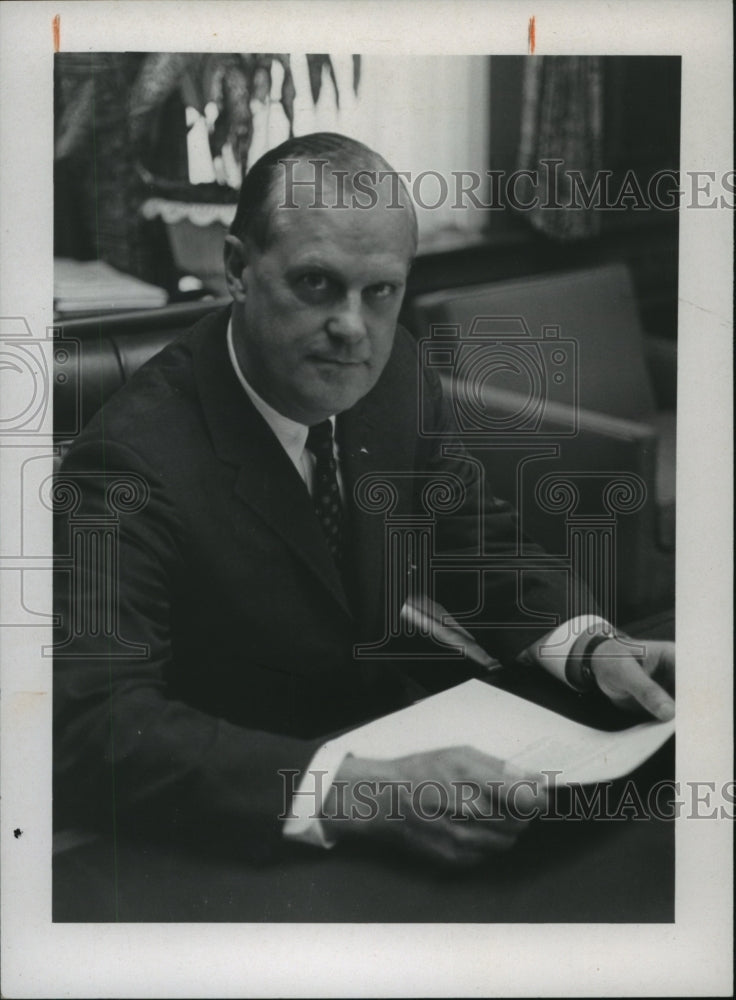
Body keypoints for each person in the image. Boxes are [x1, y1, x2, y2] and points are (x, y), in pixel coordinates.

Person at [53, 132, 675, 867]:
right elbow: (94, 724)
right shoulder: (128, 458)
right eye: (317, 284)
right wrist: (357, 792)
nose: (354, 329)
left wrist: (590, 647)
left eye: (380, 292)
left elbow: (475, 540)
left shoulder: (396, 375)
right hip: (244, 823)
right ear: (237, 270)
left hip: (404, 756)